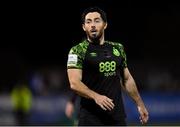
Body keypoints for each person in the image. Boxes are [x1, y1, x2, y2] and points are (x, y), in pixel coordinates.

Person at [67, 6, 149, 126]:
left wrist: (140, 104)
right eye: (88, 22)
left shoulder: (118, 48)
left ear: (105, 24)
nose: (93, 25)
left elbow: (127, 79)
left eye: (97, 20)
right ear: (84, 27)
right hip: (90, 119)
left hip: (116, 118)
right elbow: (74, 83)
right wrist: (96, 97)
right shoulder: (77, 51)